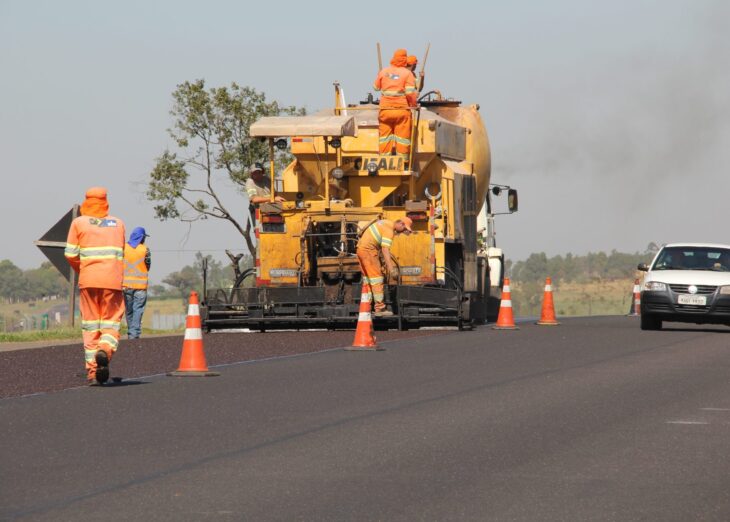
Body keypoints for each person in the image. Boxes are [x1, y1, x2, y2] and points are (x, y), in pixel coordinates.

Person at [65, 187, 126, 385]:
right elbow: (121, 253)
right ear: (105, 201)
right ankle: (105, 351)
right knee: (111, 324)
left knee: (90, 327)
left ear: (86, 201)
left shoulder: (78, 223)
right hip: (113, 283)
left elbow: (70, 254)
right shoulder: (118, 224)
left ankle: (93, 372)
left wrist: (83, 269)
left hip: (88, 282)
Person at [356, 217, 413, 317]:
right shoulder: (389, 230)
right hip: (369, 251)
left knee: (368, 280)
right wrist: (391, 270)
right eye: (404, 229)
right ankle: (380, 308)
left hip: (361, 250)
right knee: (377, 278)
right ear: (401, 224)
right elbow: (385, 250)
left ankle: (367, 307)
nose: (403, 232)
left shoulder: (386, 223)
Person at [373, 49, 418, 157]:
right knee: (402, 138)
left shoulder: (384, 71)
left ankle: (385, 161)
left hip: (385, 111)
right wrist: (414, 105)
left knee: (384, 137)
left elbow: (375, 88)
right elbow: (410, 93)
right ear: (405, 60)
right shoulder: (408, 74)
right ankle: (403, 162)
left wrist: (382, 76)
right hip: (401, 111)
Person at [123, 227, 151, 339]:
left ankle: (131, 332)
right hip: (140, 286)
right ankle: (134, 334)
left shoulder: (123, 248)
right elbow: (148, 265)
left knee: (129, 310)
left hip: (126, 286)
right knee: (138, 310)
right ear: (142, 238)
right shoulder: (145, 250)